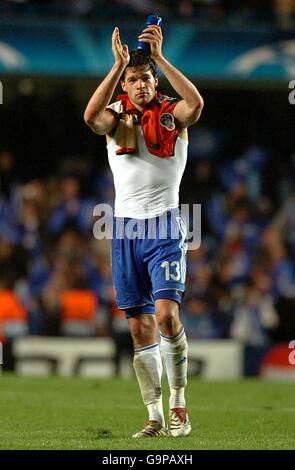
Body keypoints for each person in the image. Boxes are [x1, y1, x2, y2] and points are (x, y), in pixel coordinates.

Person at [84, 24, 204, 438]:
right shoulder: (117, 119)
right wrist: (117, 66)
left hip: (166, 226)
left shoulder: (174, 114)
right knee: (139, 327)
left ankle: (178, 404)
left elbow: (197, 103)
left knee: (168, 316)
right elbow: (90, 118)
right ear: (124, 84)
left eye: (145, 78)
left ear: (155, 80)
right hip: (124, 231)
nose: (139, 85)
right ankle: (153, 415)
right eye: (131, 80)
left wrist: (162, 58)